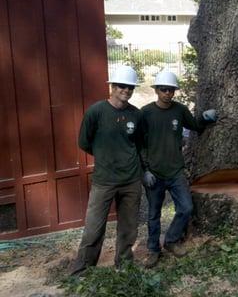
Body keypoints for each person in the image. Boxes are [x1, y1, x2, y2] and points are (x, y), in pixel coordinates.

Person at [70, 65, 143, 276]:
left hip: (131, 180)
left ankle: (125, 265)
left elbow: (139, 145)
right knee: (94, 228)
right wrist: (105, 156)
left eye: (130, 87)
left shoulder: (136, 115)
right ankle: (83, 270)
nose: (126, 90)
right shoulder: (96, 111)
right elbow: (84, 142)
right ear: (112, 86)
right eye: (122, 86)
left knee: (128, 228)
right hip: (104, 181)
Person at [141, 71, 217, 268]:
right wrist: (144, 170)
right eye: (163, 89)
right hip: (154, 173)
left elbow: (194, 126)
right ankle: (153, 250)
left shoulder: (180, 110)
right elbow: (138, 144)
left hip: (175, 171)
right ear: (156, 90)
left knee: (186, 207)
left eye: (171, 90)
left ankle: (171, 240)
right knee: (153, 214)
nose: (167, 93)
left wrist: (206, 118)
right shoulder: (146, 113)